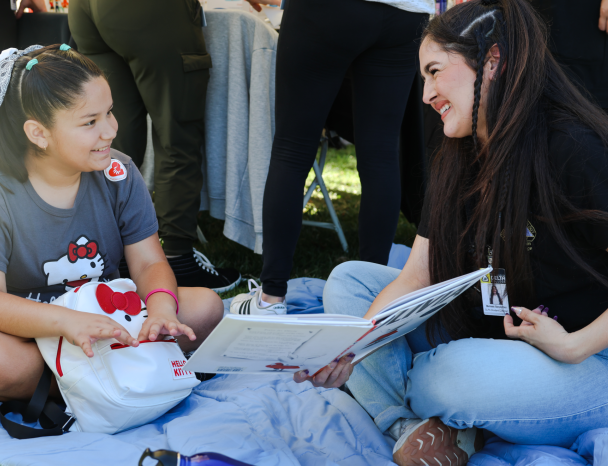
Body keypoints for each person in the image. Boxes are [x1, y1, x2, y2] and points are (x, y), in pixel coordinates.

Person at [292, 0, 608, 465]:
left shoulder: (571, 146)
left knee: (443, 378)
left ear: (493, 61)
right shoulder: (459, 150)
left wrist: (575, 344)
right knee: (348, 284)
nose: (426, 94)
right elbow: (415, 276)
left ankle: (435, 406)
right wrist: (348, 351)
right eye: (423, 77)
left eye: (435, 72)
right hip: (494, 337)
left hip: (582, 361)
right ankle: (411, 428)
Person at [0, 45, 224, 403]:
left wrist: (161, 309)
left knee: (207, 307)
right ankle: (115, 376)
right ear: (38, 133)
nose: (111, 130)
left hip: (112, 318)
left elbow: (148, 262)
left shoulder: (120, 173)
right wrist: (66, 322)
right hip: (31, 332)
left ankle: (77, 382)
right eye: (90, 122)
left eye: (110, 112)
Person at [229, 0, 433, 316]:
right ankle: (368, 299)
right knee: (381, 153)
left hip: (327, 9)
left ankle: (270, 299)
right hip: (406, 12)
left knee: (292, 149)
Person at [68, 0, 241, 293]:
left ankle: (116, 259)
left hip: (85, 8)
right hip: (153, 9)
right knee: (177, 139)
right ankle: (178, 259)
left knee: (108, 141)